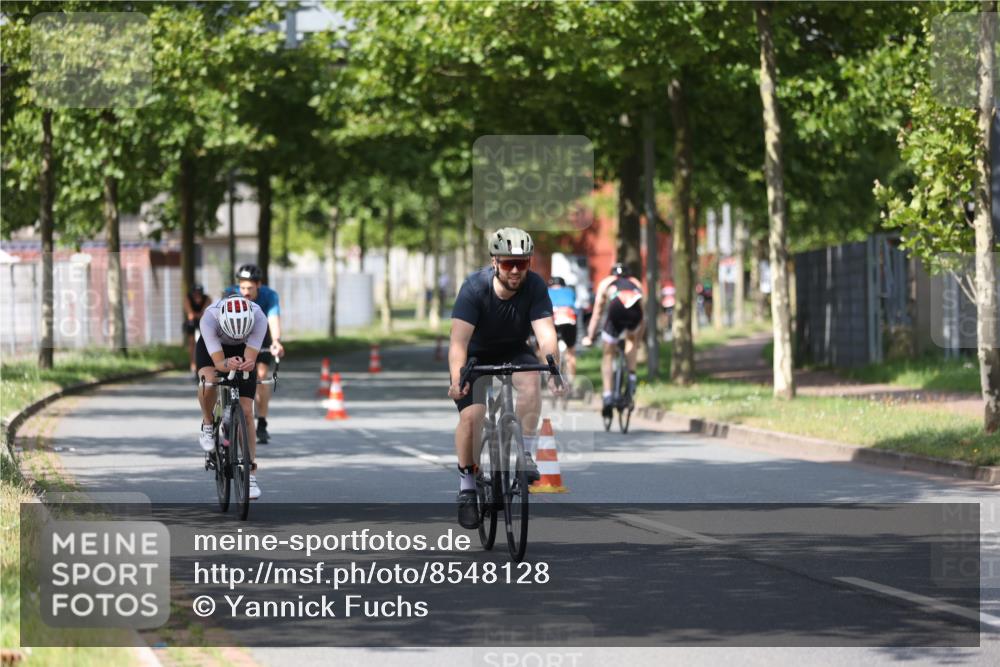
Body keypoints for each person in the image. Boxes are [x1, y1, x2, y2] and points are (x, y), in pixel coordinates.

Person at [448, 227, 564, 529]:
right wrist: (457, 379)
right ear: (495, 262)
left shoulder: (534, 286)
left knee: (531, 380)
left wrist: (554, 369)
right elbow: (458, 342)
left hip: (514, 350)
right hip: (475, 355)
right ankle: (467, 486)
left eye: (521, 263)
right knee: (472, 417)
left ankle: (525, 452)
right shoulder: (474, 288)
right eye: (509, 263)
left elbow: (546, 334)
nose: (515, 270)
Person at [196, 294, 267, 500]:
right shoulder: (209, 318)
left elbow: (251, 357)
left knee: (246, 412)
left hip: (244, 349)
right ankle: (208, 423)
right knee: (209, 381)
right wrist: (226, 364)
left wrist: (248, 364)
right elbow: (219, 363)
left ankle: (250, 475)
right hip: (214, 349)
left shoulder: (259, 317)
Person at [224, 264, 284, 444]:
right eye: (242, 287)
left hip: (261, 336)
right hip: (237, 336)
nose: (245, 292)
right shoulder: (230, 294)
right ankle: (226, 410)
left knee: (261, 376)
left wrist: (276, 341)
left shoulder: (269, 296)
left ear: (259, 284)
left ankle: (262, 422)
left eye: (250, 288)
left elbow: (273, 319)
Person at [582, 262, 645, 418]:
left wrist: (590, 336)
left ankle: (608, 395)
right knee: (631, 341)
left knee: (608, 353)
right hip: (635, 314)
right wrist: (638, 340)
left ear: (613, 274)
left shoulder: (606, 282)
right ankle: (632, 379)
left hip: (616, 310)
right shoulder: (636, 282)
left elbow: (597, 312)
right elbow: (643, 314)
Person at [546, 276, 578, 387]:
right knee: (571, 352)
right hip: (569, 318)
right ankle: (572, 382)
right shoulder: (570, 291)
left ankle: (550, 378)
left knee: (547, 350)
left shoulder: (547, 291)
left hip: (553, 318)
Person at [183, 284, 210, 375]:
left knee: (206, 340)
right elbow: (189, 313)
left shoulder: (207, 298)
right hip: (192, 321)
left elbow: (206, 311)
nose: (197, 297)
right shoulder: (188, 298)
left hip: (203, 320)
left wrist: (200, 315)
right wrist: (192, 315)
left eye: (199, 294)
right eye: (195, 294)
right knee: (191, 342)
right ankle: (193, 363)